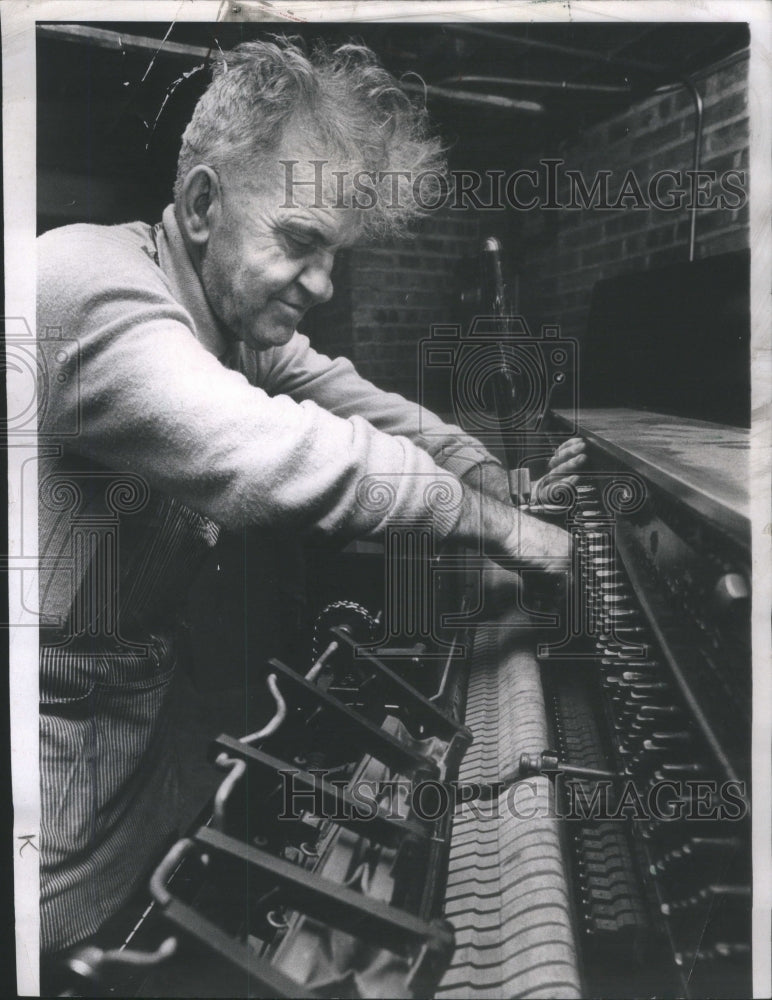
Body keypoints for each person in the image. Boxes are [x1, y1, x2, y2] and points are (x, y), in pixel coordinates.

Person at [37, 37, 585, 957]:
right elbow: (274, 453)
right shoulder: (83, 286)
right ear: (203, 205)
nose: (323, 284)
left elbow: (377, 413)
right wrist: (511, 536)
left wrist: (494, 479)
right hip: (45, 816)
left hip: (144, 769)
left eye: (334, 254)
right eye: (299, 243)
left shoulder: (236, 326)